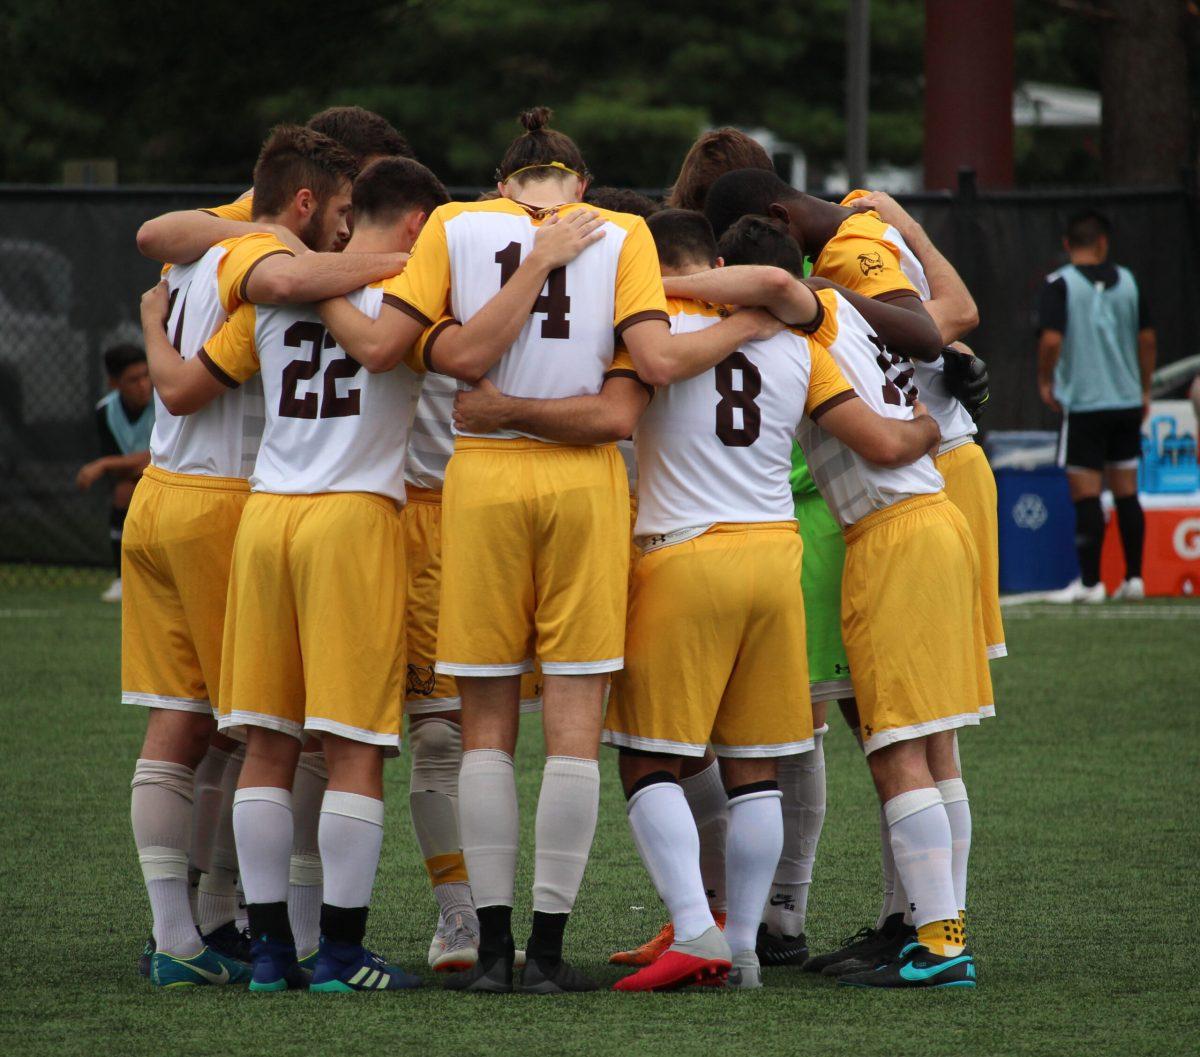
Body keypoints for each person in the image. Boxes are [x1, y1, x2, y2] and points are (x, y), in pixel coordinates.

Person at [318, 106, 781, 994]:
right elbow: (649, 359)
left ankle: (490, 948)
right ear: (577, 183)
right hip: (586, 479)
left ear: (503, 182)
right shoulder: (628, 232)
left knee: (482, 727)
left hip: (483, 476)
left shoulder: (454, 223)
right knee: (572, 728)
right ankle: (551, 951)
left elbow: (421, 343)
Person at [139, 156, 466, 993]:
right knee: (354, 747)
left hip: (265, 519)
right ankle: (343, 955)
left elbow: (181, 385)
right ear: (415, 226)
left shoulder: (268, 293)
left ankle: (273, 951)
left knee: (267, 745)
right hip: (352, 518)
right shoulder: (413, 297)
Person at [703, 170, 994, 976]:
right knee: (929, 746)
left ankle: (940, 943)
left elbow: (781, 290)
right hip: (928, 520)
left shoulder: (812, 306)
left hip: (895, 529)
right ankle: (935, 929)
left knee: (895, 744)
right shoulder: (844, 317)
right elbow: (933, 332)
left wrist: (644, 277)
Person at [1038, 208, 1156, 602]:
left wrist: (1045, 379)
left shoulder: (1060, 284)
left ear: (1067, 244)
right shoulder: (1130, 283)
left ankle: (1091, 584)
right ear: (1104, 243)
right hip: (1125, 400)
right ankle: (1135, 579)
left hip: (1085, 403)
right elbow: (1147, 339)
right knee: (1127, 491)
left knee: (1086, 494)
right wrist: (1143, 387)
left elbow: (1051, 341)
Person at [136, 105, 413, 265]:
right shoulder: (277, 204)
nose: (377, 202)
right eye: (367, 187)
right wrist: (274, 233)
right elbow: (155, 235)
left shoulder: (389, 221)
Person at [76, 344, 153, 602]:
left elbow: (156, 456)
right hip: (137, 480)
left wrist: (104, 464)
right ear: (113, 383)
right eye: (133, 379)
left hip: (171, 476)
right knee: (122, 494)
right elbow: (130, 466)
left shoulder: (166, 400)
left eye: (146, 375)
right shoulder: (105, 412)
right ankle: (123, 578)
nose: (143, 385)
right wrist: (125, 465)